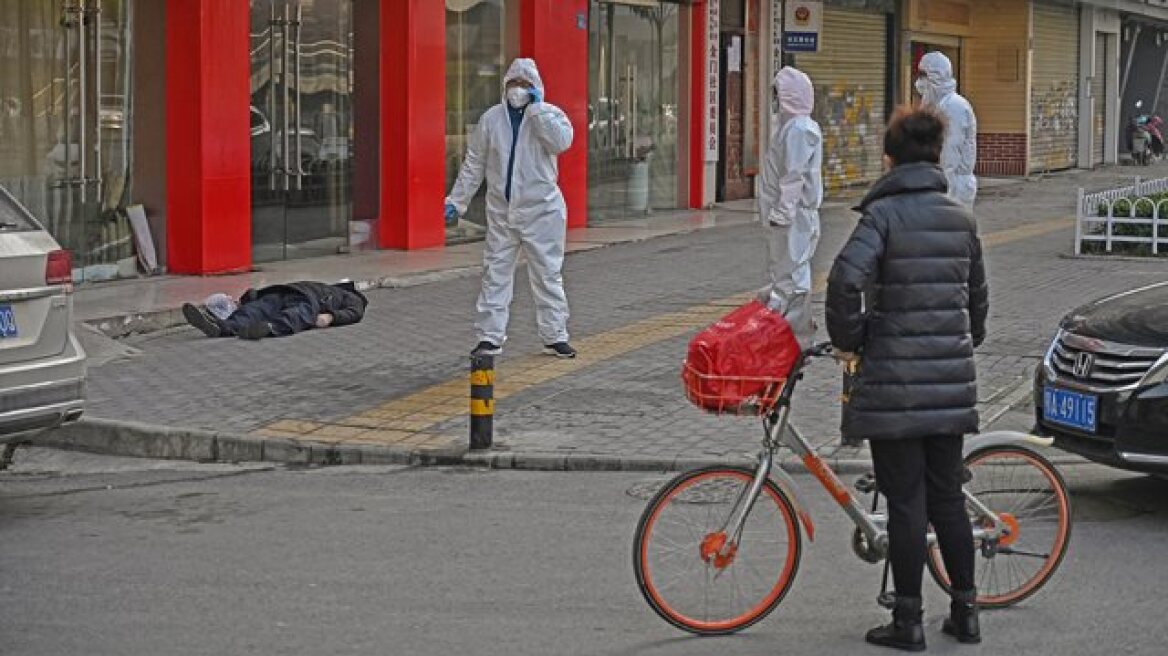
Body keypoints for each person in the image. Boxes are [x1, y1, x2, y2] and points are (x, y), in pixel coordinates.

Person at [825, 107, 989, 651]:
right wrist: (963, 342)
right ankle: (966, 613)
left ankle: (909, 620)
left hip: (894, 380)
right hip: (950, 378)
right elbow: (977, 302)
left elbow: (846, 280)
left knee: (905, 503)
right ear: (937, 156)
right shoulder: (960, 217)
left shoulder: (883, 217)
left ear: (890, 158)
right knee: (947, 498)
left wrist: (852, 338)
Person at [444, 58, 577, 359]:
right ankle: (490, 337)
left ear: (536, 88)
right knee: (495, 274)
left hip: (542, 211)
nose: (518, 89)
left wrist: (538, 110)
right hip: (502, 213)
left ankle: (555, 335)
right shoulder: (491, 120)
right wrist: (456, 201)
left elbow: (561, 143)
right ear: (504, 86)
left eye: (525, 84)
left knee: (548, 275)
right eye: (514, 83)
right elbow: (474, 163)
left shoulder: (549, 115)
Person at [758, 66, 823, 348]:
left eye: (778, 94)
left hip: (793, 217)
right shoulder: (796, 127)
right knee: (790, 272)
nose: (775, 100)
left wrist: (782, 213)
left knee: (791, 276)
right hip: (793, 217)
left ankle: (792, 335)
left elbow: (793, 175)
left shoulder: (798, 129)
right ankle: (789, 328)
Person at [182, 280, 368, 341]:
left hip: (307, 301)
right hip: (286, 293)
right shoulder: (327, 287)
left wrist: (331, 317)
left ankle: (268, 327)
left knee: (295, 315)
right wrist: (249, 298)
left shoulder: (353, 298)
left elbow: (355, 313)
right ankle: (221, 327)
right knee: (254, 310)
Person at [916, 52, 978, 208]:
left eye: (924, 75)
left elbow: (949, 154)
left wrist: (941, 190)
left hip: (953, 187)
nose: (919, 81)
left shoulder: (953, 107)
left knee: (950, 229)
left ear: (936, 75)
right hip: (939, 182)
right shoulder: (936, 105)